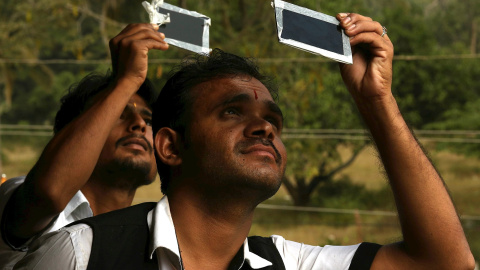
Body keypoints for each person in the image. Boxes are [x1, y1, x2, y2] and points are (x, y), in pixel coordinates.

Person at [14, 14, 475, 270]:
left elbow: (444, 264)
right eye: (232, 111)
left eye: (273, 119)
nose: (264, 128)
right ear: (170, 147)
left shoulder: (286, 264)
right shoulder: (81, 254)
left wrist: (376, 102)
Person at [0, 24, 168, 269]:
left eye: (149, 120)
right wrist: (127, 80)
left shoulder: (153, 243)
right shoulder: (20, 198)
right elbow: (50, 192)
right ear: (72, 132)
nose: (139, 124)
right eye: (118, 114)